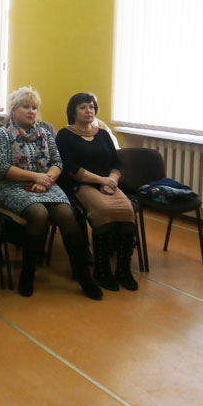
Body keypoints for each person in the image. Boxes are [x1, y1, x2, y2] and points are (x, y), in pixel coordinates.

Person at [0, 86, 102, 300]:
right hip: (13, 186)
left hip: (46, 183)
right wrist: (36, 177)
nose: (31, 111)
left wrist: (46, 179)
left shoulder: (45, 133)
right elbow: (3, 169)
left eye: (34, 107)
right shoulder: (1, 134)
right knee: (39, 214)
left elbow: (58, 162)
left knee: (67, 214)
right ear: (14, 110)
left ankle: (83, 275)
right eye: (26, 107)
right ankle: (27, 274)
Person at [55, 92, 137, 291]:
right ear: (73, 111)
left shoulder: (102, 134)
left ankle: (123, 269)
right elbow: (71, 168)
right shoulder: (65, 135)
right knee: (103, 211)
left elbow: (117, 163)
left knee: (127, 211)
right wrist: (102, 180)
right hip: (81, 185)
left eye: (91, 107)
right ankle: (101, 269)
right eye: (83, 107)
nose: (88, 111)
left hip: (108, 184)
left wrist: (112, 180)